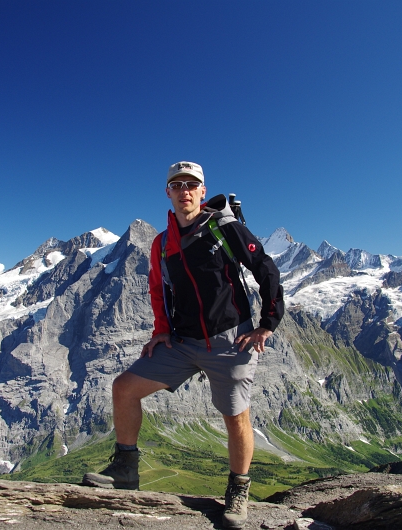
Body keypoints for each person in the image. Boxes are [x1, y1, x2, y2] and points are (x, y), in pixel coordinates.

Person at [83, 161, 284, 529]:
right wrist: (161, 329)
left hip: (229, 342)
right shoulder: (161, 244)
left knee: (236, 418)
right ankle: (126, 470)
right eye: (177, 185)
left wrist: (266, 325)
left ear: (203, 191)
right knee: (124, 388)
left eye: (192, 184)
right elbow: (158, 290)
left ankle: (238, 491)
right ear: (169, 193)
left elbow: (265, 267)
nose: (185, 191)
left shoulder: (224, 228)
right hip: (182, 342)